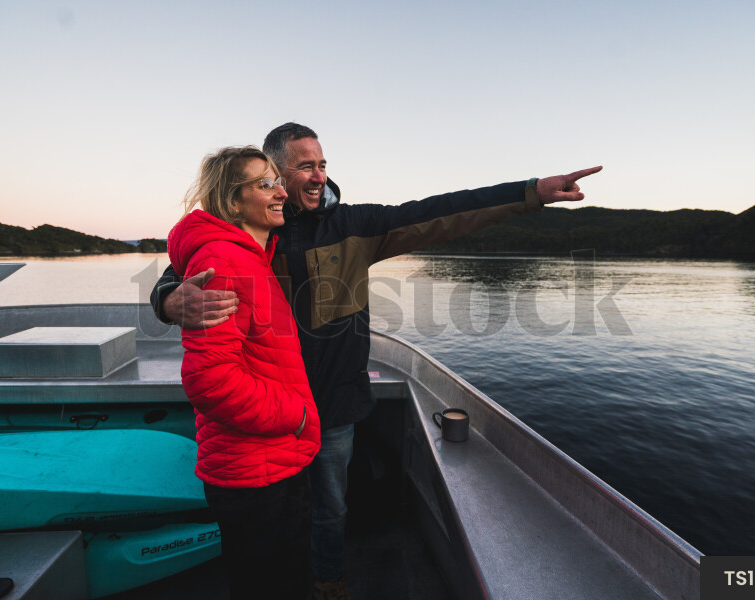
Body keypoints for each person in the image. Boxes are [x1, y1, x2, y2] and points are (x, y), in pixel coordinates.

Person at [152, 123, 601, 600]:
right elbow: (183, 272)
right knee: (274, 527)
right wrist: (167, 301)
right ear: (276, 174)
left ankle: (328, 581)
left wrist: (531, 192)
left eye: (323, 165)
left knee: (329, 509)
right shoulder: (250, 233)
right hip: (268, 417)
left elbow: (443, 212)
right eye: (304, 166)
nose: (318, 176)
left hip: (332, 407)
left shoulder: (354, 227)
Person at [166, 145, 321, 600]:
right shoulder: (226, 263)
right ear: (233, 203)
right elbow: (211, 382)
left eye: (276, 180)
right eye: (264, 183)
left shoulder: (250, 255)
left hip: (265, 462)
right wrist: (294, 415)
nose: (280, 192)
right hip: (259, 470)